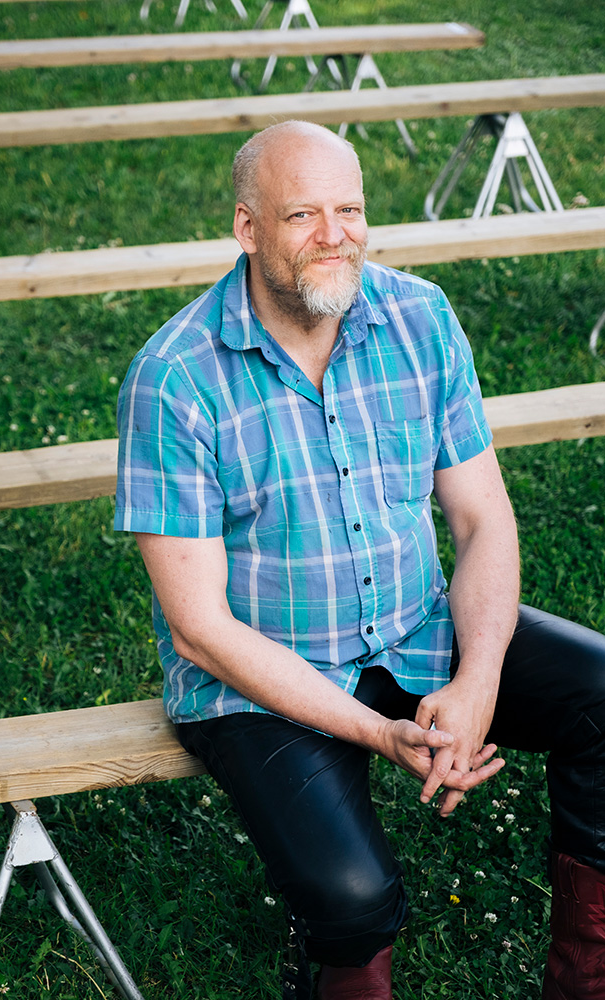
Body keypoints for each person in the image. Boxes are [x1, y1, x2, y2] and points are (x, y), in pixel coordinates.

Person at [115, 121, 605, 999]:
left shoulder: (419, 316)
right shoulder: (174, 377)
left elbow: (482, 520)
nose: (334, 235)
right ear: (246, 228)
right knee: (353, 897)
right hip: (261, 674)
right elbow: (198, 630)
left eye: (349, 209)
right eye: (302, 214)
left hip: (416, 627)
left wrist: (478, 677)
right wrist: (380, 733)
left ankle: (586, 980)